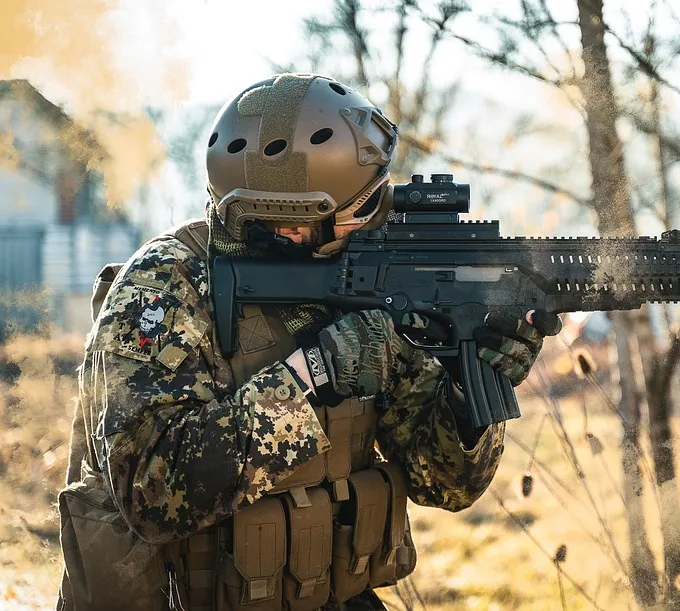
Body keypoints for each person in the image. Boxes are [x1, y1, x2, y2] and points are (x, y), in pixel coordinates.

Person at [56, 73, 561, 611]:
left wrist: (470, 389)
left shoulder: (362, 275)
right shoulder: (163, 289)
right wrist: (315, 373)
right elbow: (150, 492)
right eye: (362, 209)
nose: (379, 217)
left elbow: (444, 485)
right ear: (293, 225)